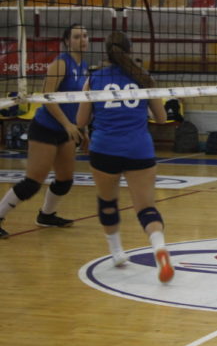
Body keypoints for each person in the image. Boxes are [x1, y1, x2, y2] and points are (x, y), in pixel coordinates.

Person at [76, 31, 174, 283]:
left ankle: (117, 252)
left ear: (106, 52)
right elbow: (162, 119)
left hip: (105, 148)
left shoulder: (95, 78)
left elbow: (80, 121)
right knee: (146, 207)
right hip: (139, 149)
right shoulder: (143, 77)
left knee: (107, 202)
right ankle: (159, 249)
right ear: (129, 50)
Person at [0, 24, 89, 239]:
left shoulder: (84, 65)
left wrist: (82, 128)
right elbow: (47, 97)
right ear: (67, 41)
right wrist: (68, 125)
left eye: (85, 36)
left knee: (65, 180)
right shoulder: (60, 63)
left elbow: (81, 101)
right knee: (33, 182)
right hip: (46, 128)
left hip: (67, 129)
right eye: (77, 36)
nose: (83, 39)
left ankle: (46, 215)